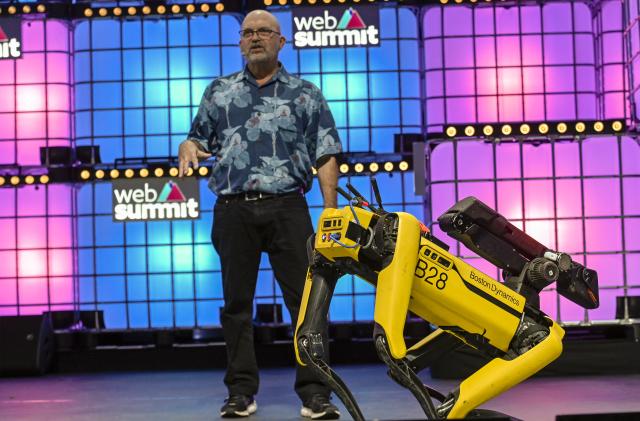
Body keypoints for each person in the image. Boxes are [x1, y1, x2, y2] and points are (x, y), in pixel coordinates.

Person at [177, 9, 342, 420]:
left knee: (308, 305)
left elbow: (325, 151)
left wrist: (331, 211)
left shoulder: (306, 93)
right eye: (247, 32)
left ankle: (315, 393)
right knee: (236, 306)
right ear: (239, 42)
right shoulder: (219, 91)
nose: (255, 38)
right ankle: (240, 393)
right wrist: (188, 145)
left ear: (280, 41)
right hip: (234, 210)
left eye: (264, 32)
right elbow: (198, 138)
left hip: (289, 207)